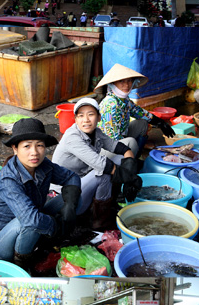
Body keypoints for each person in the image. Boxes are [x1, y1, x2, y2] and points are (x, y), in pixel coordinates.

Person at [0, 118, 81, 268]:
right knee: (30, 222)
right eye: (27, 146)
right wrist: (55, 226)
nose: (34, 152)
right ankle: (22, 262)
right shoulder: (8, 179)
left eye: (39, 145)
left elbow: (72, 178)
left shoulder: (43, 165)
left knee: (72, 196)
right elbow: (31, 220)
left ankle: (47, 239)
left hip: (30, 220)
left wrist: (70, 207)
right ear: (15, 149)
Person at [51, 98, 139, 229]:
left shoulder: (96, 132)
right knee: (103, 174)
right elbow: (102, 165)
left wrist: (130, 166)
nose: (86, 120)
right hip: (67, 197)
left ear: (98, 117)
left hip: (83, 180)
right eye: (81, 116)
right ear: (75, 119)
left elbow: (119, 147)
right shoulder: (72, 137)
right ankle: (99, 220)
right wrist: (131, 179)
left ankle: (110, 200)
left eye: (90, 114)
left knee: (125, 150)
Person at [96, 64, 174, 155]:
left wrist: (160, 122)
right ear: (113, 83)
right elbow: (113, 140)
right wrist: (128, 152)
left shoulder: (124, 100)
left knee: (142, 123)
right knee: (131, 142)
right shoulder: (111, 105)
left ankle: (135, 156)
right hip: (106, 149)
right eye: (121, 81)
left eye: (129, 81)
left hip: (121, 136)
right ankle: (129, 163)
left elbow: (140, 113)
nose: (126, 85)